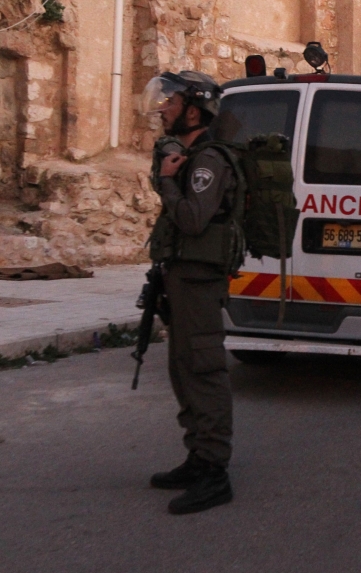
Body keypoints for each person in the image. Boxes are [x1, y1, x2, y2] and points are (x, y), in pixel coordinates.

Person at [140, 70, 239, 515]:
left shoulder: (208, 161)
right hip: (182, 278)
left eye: (171, 102)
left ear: (193, 111)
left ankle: (215, 472)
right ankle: (197, 457)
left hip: (200, 281)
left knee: (204, 369)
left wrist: (165, 180)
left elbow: (194, 220)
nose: (163, 108)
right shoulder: (189, 154)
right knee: (182, 369)